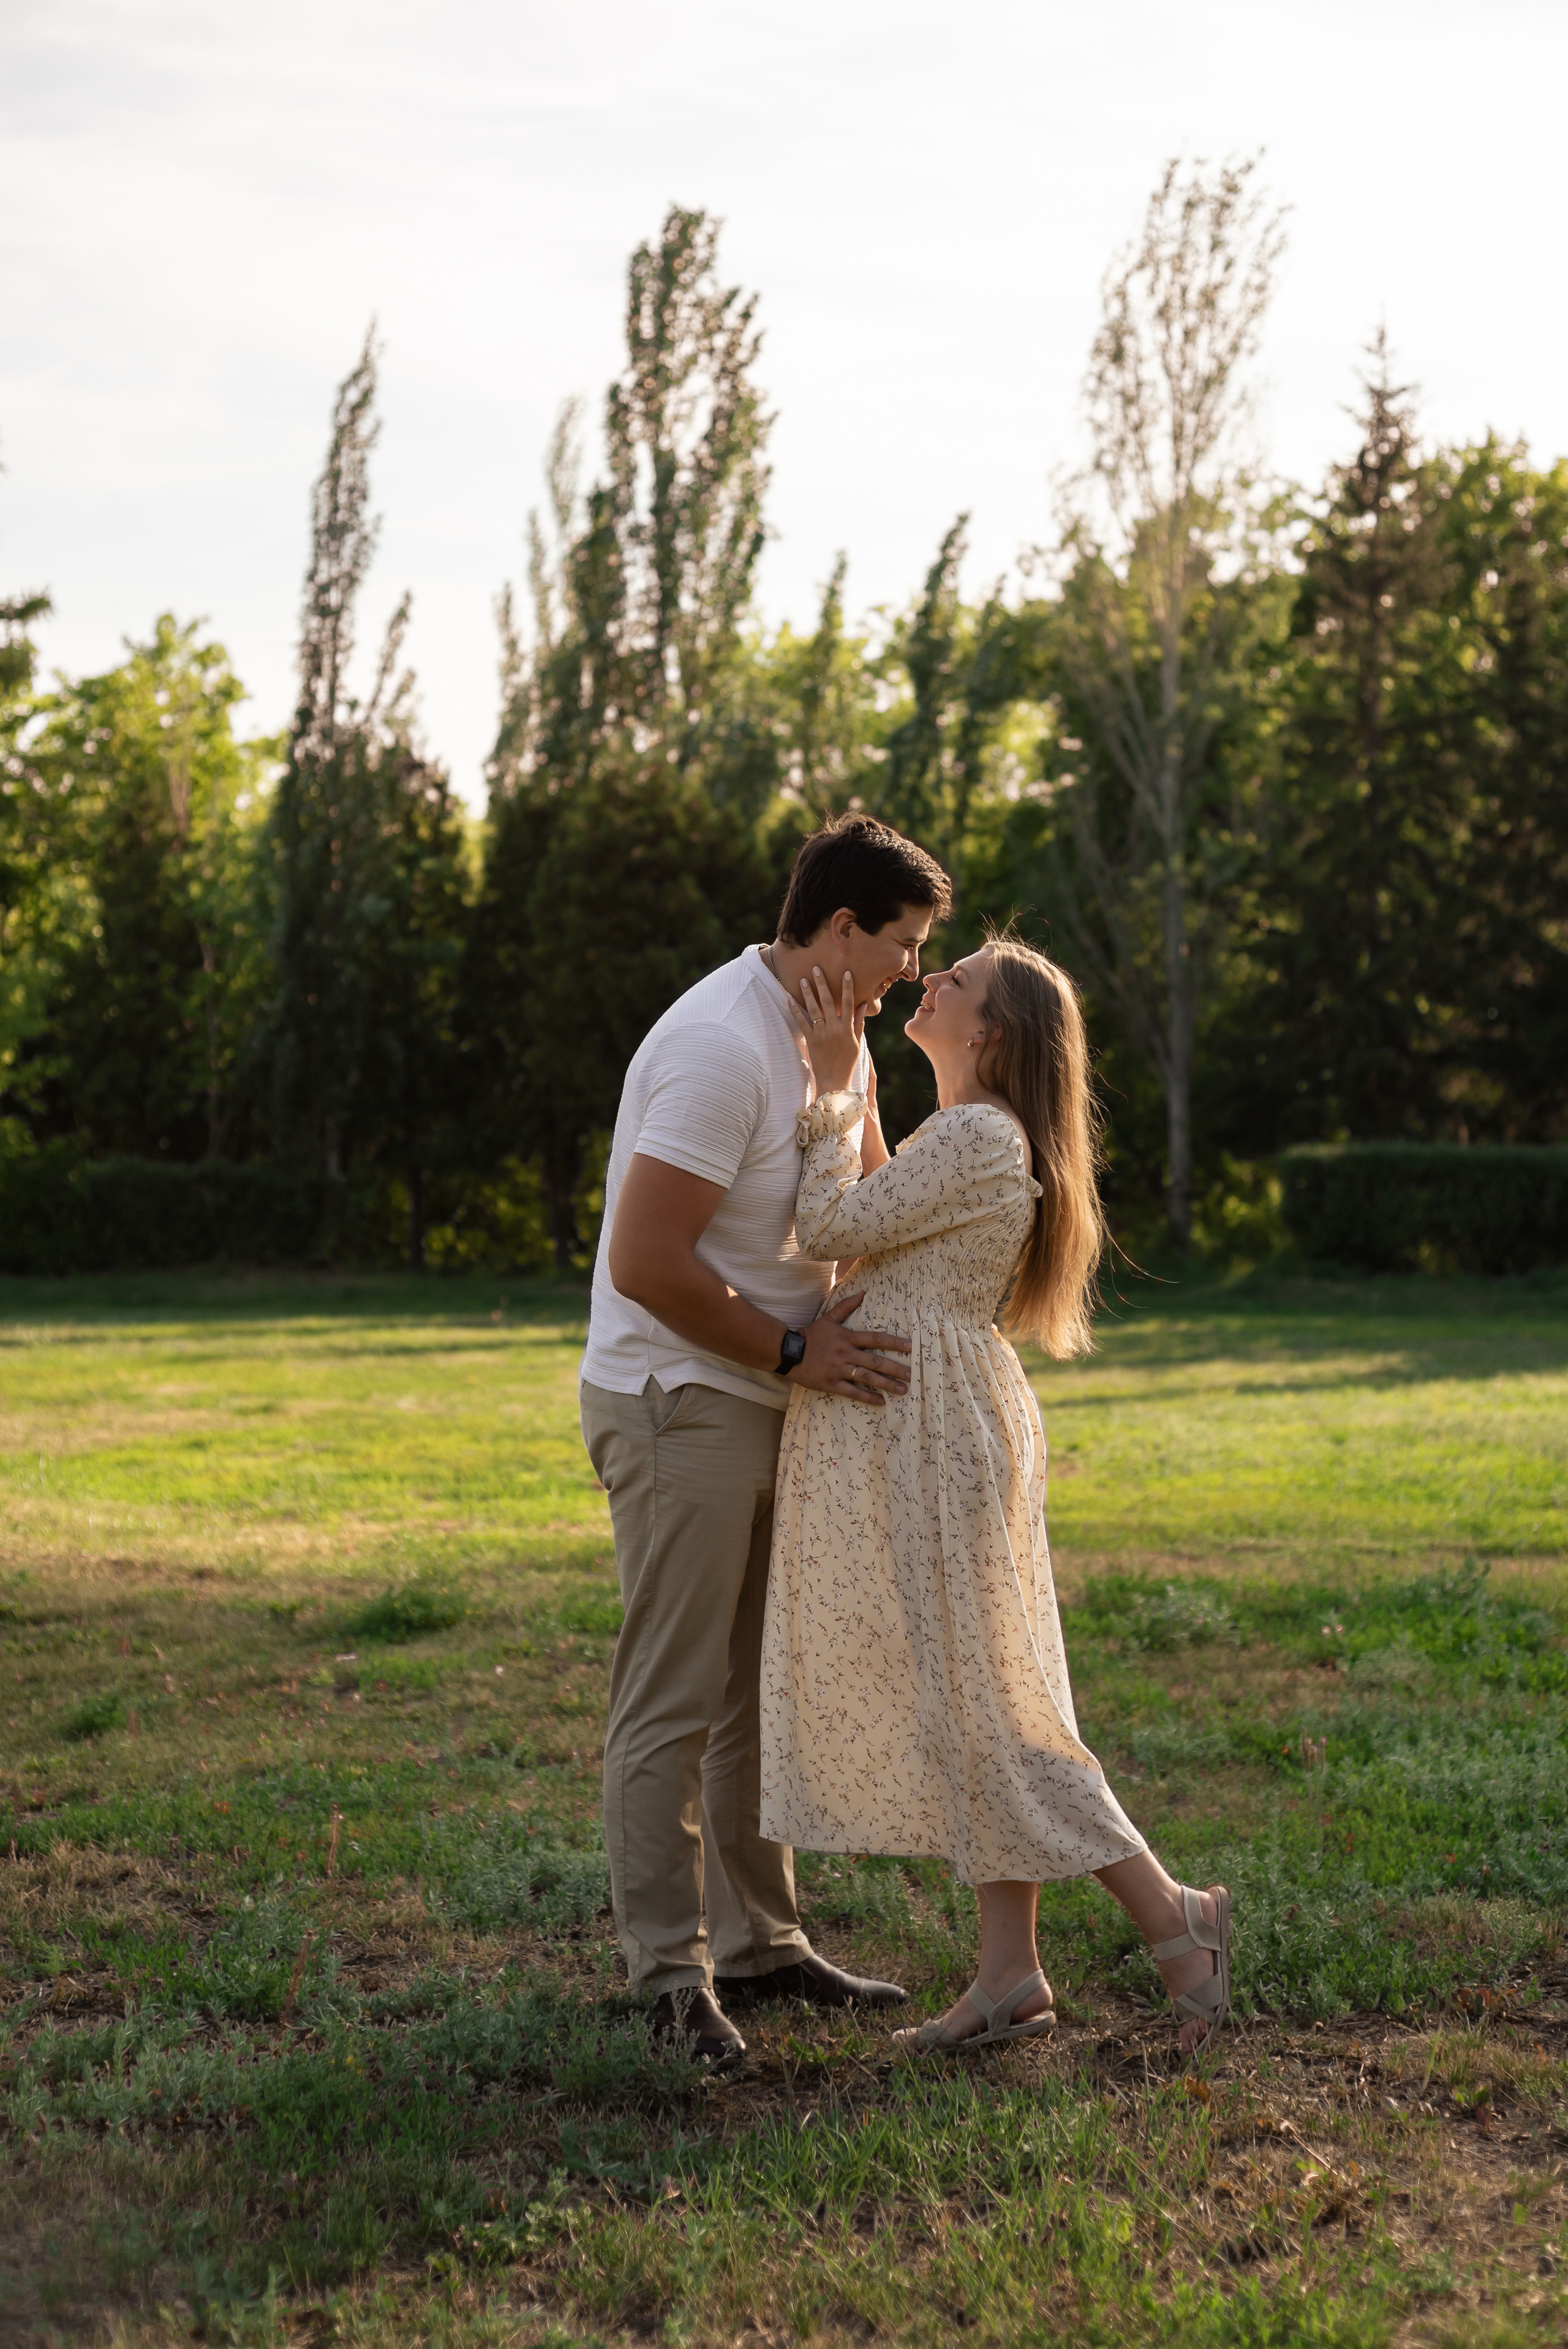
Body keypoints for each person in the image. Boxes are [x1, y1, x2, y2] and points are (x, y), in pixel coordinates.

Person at [758, 932, 1232, 2056]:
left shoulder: (979, 1133)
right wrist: (860, 1078)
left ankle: (1178, 1919)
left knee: (1002, 1707)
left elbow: (829, 1226)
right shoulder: (966, 1132)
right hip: (937, 1424)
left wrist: (828, 1086)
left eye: (955, 978)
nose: (933, 979)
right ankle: (1009, 1974)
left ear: (991, 1034)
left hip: (942, 1433)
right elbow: (880, 1210)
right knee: (975, 1700)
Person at [580, 813, 954, 2067]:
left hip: (767, 1396)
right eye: (902, 944)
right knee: (675, 1694)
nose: (911, 969)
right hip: (679, 1395)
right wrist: (795, 1350)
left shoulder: (834, 1042)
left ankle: (760, 1947)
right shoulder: (719, 1048)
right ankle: (666, 1979)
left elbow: (867, 1206)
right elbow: (643, 1264)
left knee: (752, 1691)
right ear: (839, 929)